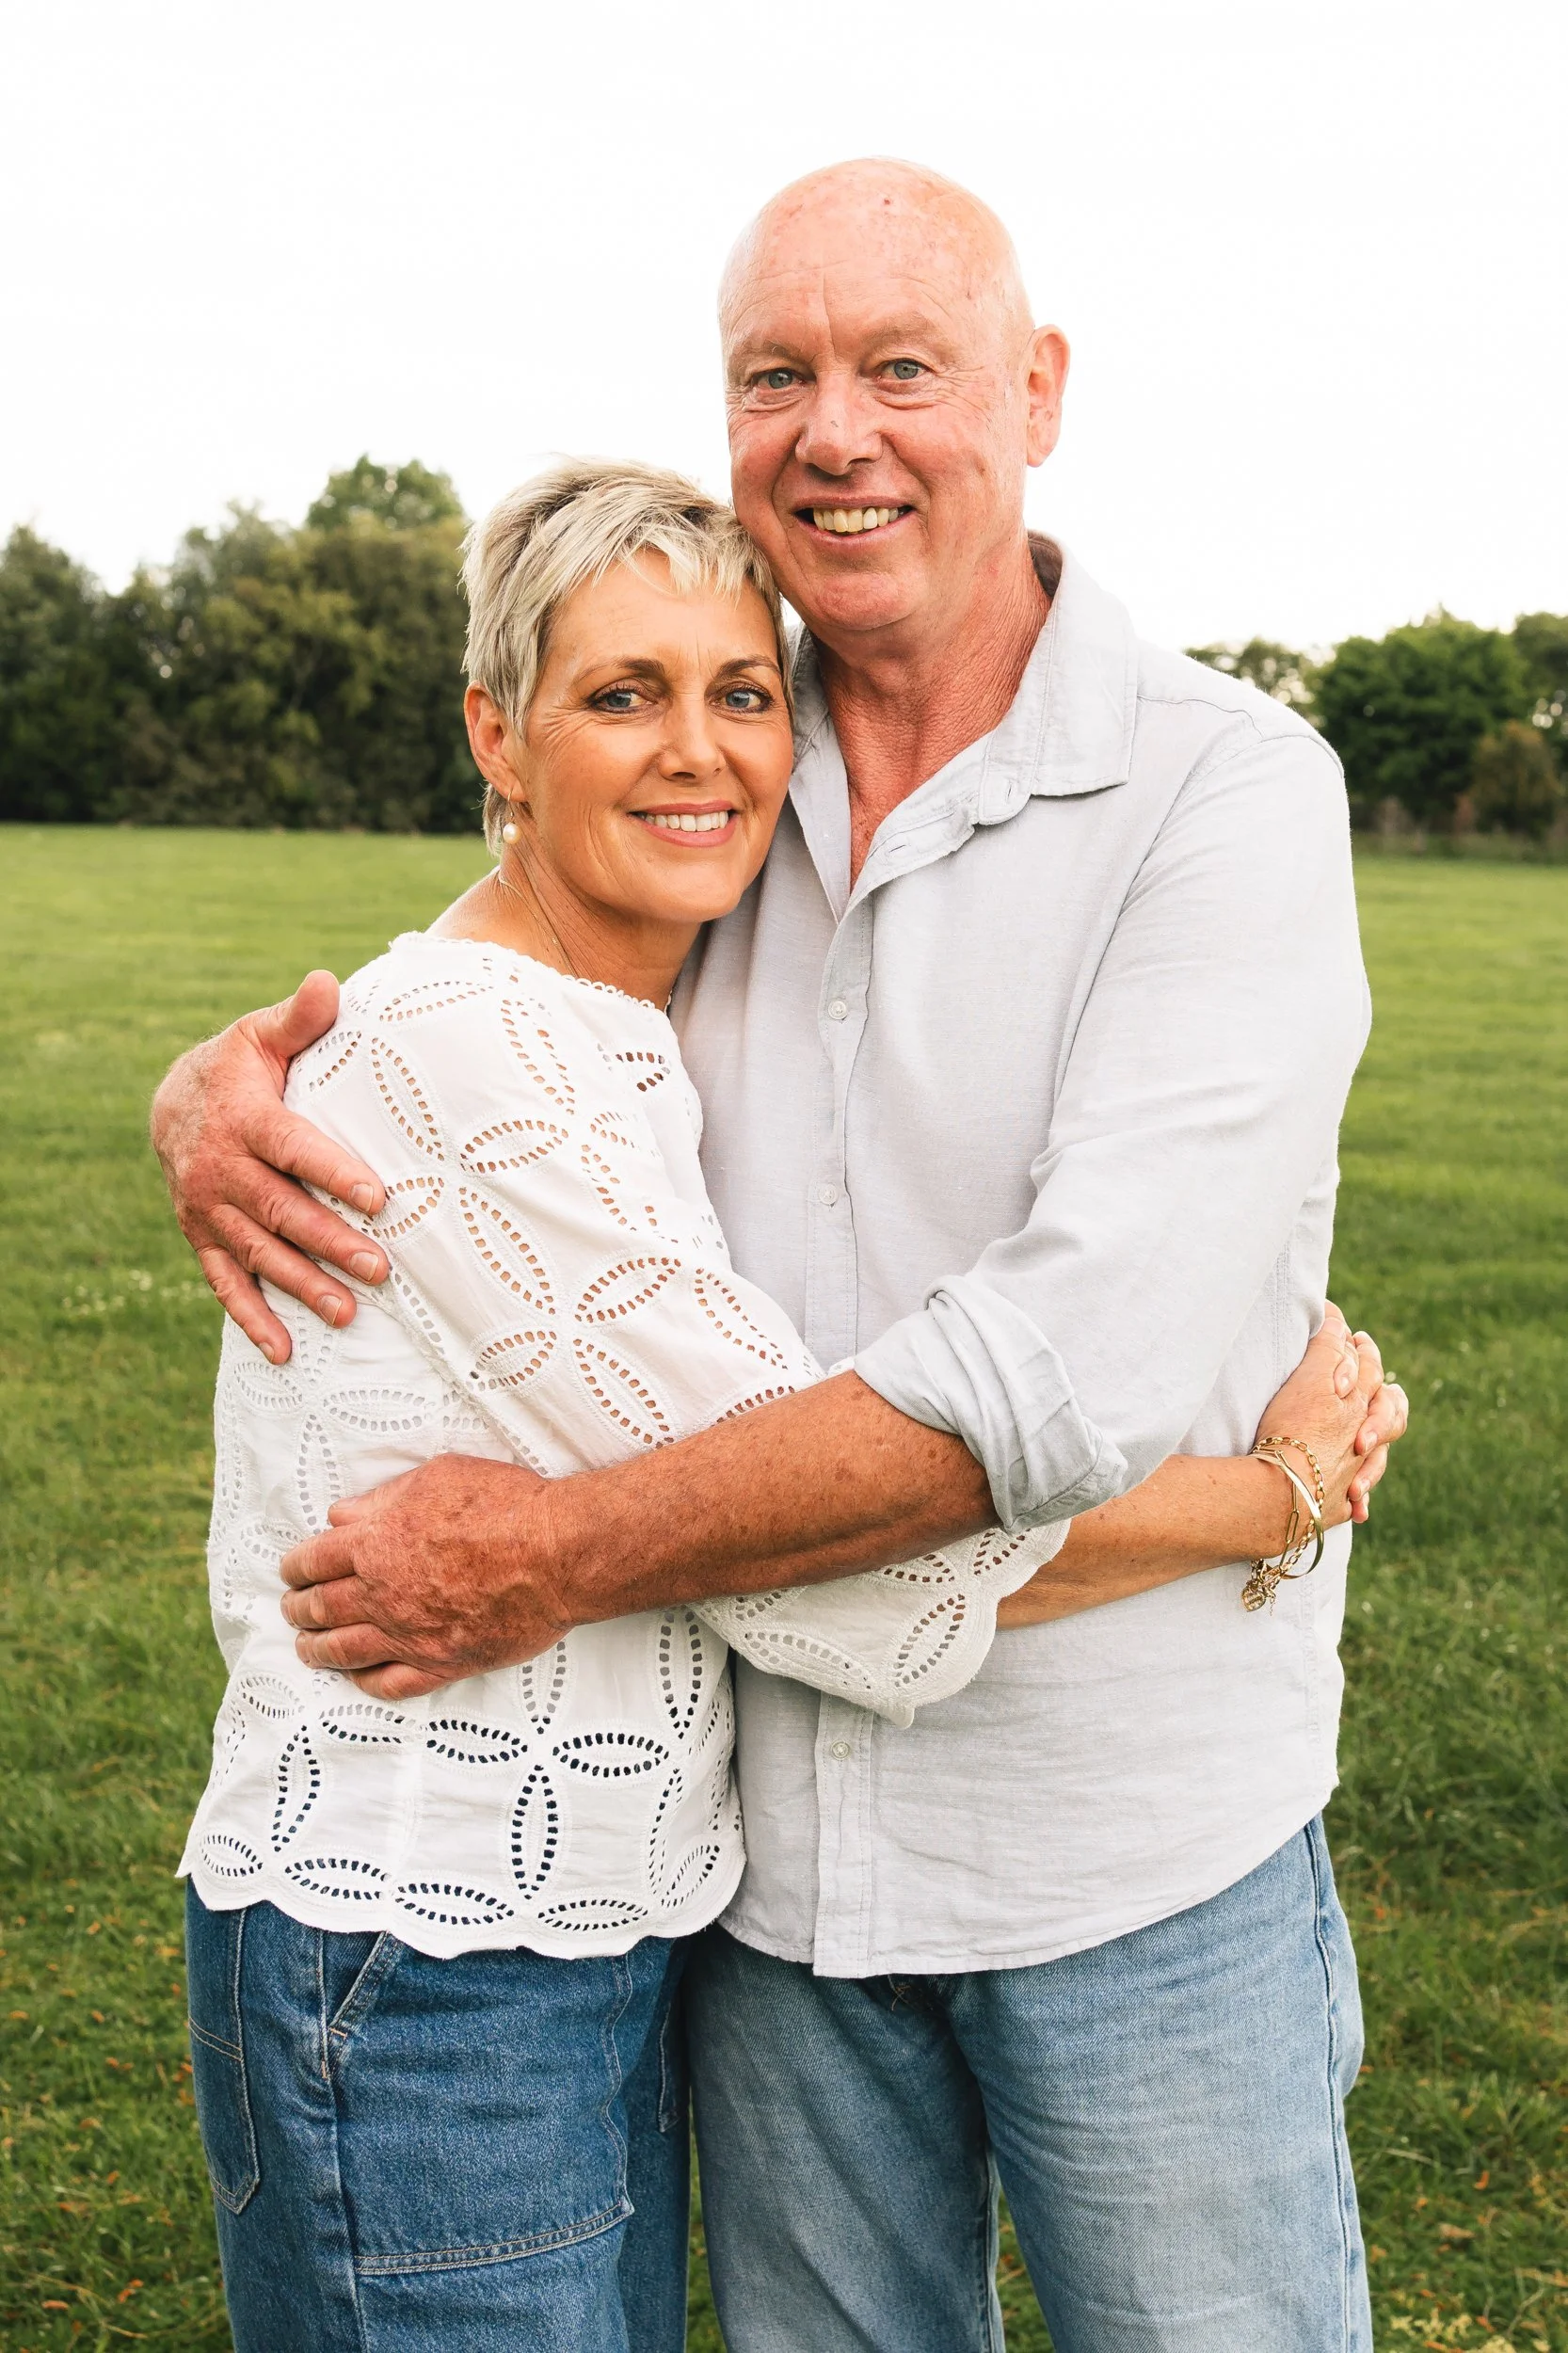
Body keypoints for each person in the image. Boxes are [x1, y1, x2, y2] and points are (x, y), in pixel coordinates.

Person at [153, 162, 1409, 2353]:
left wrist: (559, 1540)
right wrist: (231, 1085)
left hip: (1126, 1849)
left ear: (1032, 392)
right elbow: (482, 1022)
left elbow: (1047, 1374)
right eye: (775, 374)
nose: (835, 429)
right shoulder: (736, 779)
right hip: (771, 1891)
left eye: (899, 366)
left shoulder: (1222, 792)